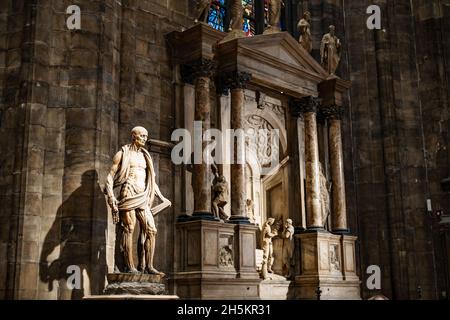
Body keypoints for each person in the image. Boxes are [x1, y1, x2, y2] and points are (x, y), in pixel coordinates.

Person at [105, 126, 171, 275]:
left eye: (146, 136)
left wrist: (161, 198)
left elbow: (152, 181)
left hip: (143, 195)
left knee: (151, 230)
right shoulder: (123, 153)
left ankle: (149, 266)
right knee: (129, 228)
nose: (145, 138)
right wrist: (111, 197)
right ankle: (129, 266)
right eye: (142, 136)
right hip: (128, 192)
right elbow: (110, 175)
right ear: (133, 136)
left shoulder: (145, 156)